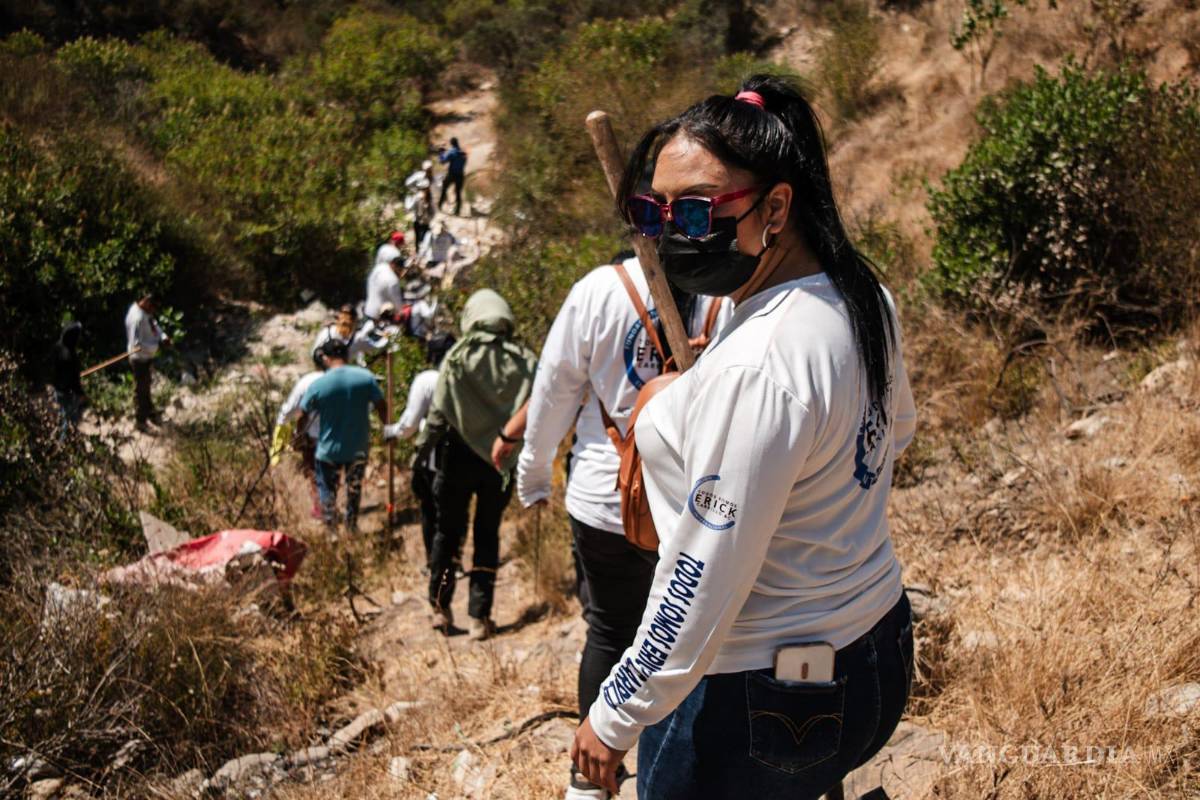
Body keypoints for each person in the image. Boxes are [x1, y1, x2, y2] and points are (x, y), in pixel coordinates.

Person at [570, 75, 917, 800]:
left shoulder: (761, 364)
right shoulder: (859, 296)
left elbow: (701, 576)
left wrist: (612, 715)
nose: (669, 233)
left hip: (765, 693)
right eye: (652, 210)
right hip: (875, 646)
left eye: (696, 212)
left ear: (776, 208)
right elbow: (892, 433)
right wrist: (690, 399)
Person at [511, 253, 731, 800]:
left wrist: (534, 475)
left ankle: (589, 782)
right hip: (693, 501)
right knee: (696, 639)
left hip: (607, 495)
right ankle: (679, 771)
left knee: (610, 631)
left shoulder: (596, 291)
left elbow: (554, 387)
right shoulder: (726, 284)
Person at [422, 290, 536, 641]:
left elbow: (438, 413)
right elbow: (538, 407)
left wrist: (421, 450)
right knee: (487, 533)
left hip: (455, 458)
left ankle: (441, 608)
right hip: (499, 462)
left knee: (447, 534)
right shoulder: (525, 361)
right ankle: (479, 617)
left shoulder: (457, 357)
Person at [298, 339, 388, 533]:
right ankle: (351, 525)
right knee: (353, 489)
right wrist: (388, 429)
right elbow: (381, 405)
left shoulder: (319, 384)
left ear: (326, 358)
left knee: (327, 489)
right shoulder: (365, 378)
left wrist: (300, 435)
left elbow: (302, 413)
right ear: (347, 356)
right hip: (357, 446)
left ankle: (331, 529)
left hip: (328, 448)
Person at [383, 332, 456, 570]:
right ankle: (453, 558)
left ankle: (433, 561)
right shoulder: (466, 376)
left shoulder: (427, 380)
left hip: (433, 452)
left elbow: (410, 424)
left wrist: (391, 432)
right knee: (456, 507)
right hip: (464, 450)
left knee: (430, 508)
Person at [275, 367, 325, 520]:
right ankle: (330, 507)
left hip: (313, 438)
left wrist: (287, 434)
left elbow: (295, 412)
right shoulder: (342, 379)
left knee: (315, 475)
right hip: (337, 435)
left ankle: (321, 510)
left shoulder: (307, 382)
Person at [125, 294, 169, 432]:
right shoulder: (136, 318)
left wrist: (163, 337)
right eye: (153, 308)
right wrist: (156, 345)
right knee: (141, 390)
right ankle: (140, 421)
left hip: (147, 357)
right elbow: (137, 344)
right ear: (147, 303)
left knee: (146, 386)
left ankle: (151, 414)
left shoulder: (145, 313)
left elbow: (154, 325)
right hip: (139, 359)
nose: (153, 312)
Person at [312, 305, 379, 369]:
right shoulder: (357, 338)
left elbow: (314, 354)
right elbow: (375, 350)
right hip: (345, 374)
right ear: (354, 321)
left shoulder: (326, 332)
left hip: (327, 373)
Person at [51, 321, 86, 434]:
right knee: (69, 421)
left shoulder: (58, 347)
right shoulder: (69, 357)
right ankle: (64, 444)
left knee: (62, 418)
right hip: (67, 394)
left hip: (58, 390)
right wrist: (81, 394)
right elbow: (74, 381)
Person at [365, 239, 408, 322]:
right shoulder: (393, 280)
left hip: (368, 309)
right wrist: (402, 313)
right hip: (380, 316)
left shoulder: (378, 268)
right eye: (400, 269)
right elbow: (397, 302)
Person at [437, 137, 468, 216]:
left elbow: (442, 161)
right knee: (458, 192)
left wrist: (441, 153)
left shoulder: (452, 152)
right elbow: (463, 162)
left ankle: (439, 206)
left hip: (452, 174)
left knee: (444, 188)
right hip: (460, 175)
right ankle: (457, 211)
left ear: (451, 143)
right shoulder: (463, 153)